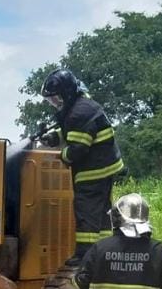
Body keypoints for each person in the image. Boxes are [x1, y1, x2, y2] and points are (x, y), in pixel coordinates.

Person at [40, 68, 124, 262]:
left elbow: (77, 150)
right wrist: (54, 137)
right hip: (105, 168)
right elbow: (73, 131)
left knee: (86, 212)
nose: (54, 104)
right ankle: (104, 253)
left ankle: (85, 256)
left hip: (93, 172)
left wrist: (62, 155)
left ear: (66, 93)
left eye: (56, 99)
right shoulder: (81, 106)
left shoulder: (79, 113)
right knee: (102, 214)